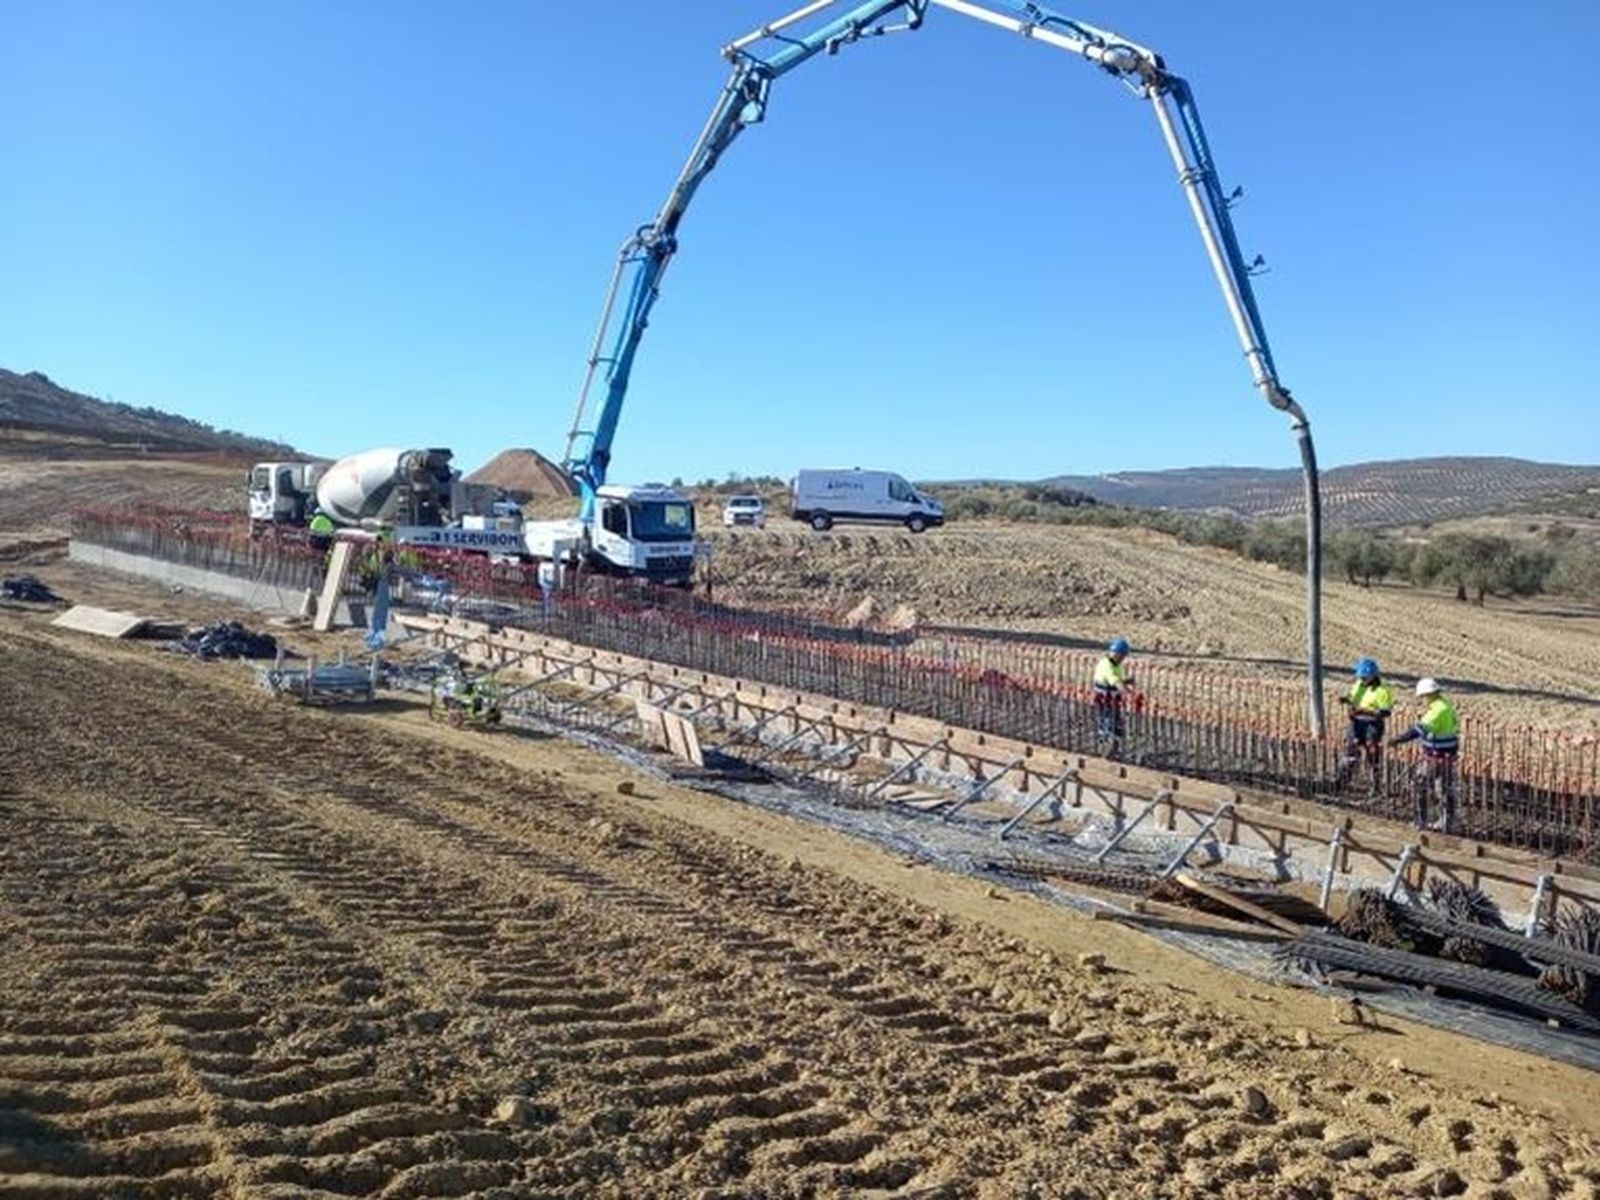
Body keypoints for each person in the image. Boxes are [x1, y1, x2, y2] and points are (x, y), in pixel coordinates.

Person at [1390, 677, 1459, 832]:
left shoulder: (1437, 710)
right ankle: (1448, 822)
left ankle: (1421, 821)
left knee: (1420, 784)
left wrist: (1398, 740)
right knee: (1445, 788)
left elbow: (1418, 730)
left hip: (1437, 756)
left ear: (1428, 694)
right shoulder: (1445, 705)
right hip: (1446, 755)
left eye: (1422, 697)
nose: (1422, 700)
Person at [1335, 658, 1394, 790]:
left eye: (1364, 677)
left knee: (1372, 752)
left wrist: (1365, 711)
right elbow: (1352, 697)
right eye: (1360, 677)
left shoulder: (1382, 691)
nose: (1361, 679)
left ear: (1373, 676)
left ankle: (1376, 785)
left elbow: (1385, 712)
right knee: (1350, 750)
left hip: (1372, 725)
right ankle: (1342, 781)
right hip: (1356, 723)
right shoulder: (1358, 685)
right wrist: (1345, 700)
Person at [1093, 637, 1133, 757]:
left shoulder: (1118, 665)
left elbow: (1119, 680)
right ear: (1114, 653)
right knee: (1107, 720)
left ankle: (1113, 743)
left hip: (1113, 698)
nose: (1122, 659)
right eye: (1121, 656)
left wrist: (1127, 682)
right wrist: (1126, 691)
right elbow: (1114, 681)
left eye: (1124, 656)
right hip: (1104, 698)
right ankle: (1105, 744)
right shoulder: (1106, 664)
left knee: (1116, 721)